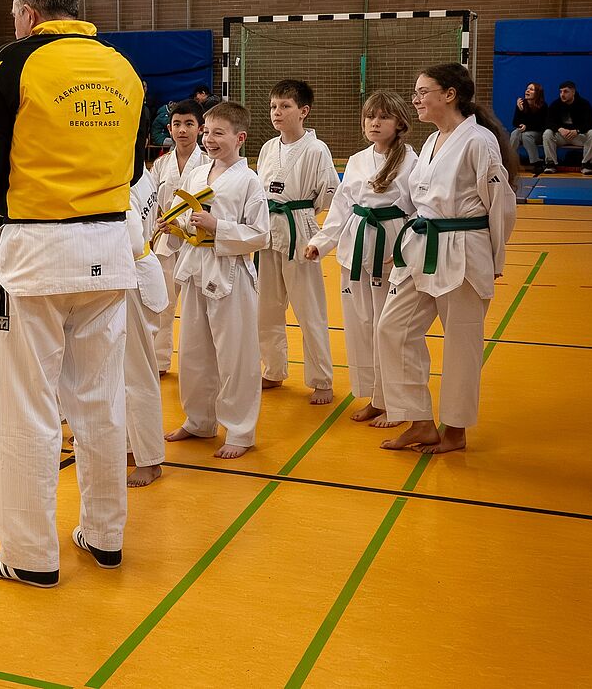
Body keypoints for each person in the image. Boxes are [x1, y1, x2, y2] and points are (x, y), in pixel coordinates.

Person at [0, 0, 143, 588]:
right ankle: (105, 535)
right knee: (100, 400)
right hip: (109, 248)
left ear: (29, 15)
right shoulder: (122, 67)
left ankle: (29, 555)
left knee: (26, 405)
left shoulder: (17, 60)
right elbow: (136, 162)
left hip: (37, 252)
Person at [377, 64, 518, 455]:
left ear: (450, 94)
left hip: (464, 250)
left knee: (461, 342)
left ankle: (455, 429)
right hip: (423, 246)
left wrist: (494, 258)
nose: (416, 100)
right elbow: (420, 200)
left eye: (423, 92)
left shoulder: (478, 141)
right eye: (416, 93)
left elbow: (501, 205)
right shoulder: (431, 141)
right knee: (392, 328)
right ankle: (420, 422)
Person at [304, 91, 417, 427]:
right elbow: (342, 207)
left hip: (392, 247)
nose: (374, 123)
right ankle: (375, 397)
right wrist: (321, 242)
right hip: (356, 246)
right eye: (370, 116)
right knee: (360, 326)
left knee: (389, 329)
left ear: (399, 122)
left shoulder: (412, 161)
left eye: (383, 117)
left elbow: (419, 210)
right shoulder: (356, 160)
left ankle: (396, 402)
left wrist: (408, 249)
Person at [164, 101, 270, 458]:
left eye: (218, 133)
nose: (209, 139)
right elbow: (188, 218)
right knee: (193, 352)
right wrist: (176, 227)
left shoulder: (249, 180)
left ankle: (240, 430)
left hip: (231, 273)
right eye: (207, 132)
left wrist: (218, 227)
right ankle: (199, 420)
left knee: (236, 355)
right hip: (196, 268)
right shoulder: (197, 174)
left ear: (240, 138)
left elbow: (260, 234)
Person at [256, 79, 339, 405]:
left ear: (303, 111)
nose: (277, 112)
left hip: (300, 229)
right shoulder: (268, 148)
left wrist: (305, 216)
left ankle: (322, 380)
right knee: (266, 308)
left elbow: (328, 193)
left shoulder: (316, 149)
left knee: (309, 309)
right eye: (274, 106)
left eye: (285, 106)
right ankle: (273, 369)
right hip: (268, 229)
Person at [121, 155, 169, 487]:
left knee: (137, 374)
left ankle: (149, 459)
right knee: (122, 374)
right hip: (139, 274)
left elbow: (130, 240)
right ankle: (129, 445)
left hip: (132, 277)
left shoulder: (124, 184)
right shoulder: (141, 173)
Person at [149, 99, 206, 376]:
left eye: (189, 124)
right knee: (163, 304)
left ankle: (197, 366)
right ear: (169, 129)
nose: (182, 130)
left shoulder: (209, 164)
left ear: (200, 128)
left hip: (198, 241)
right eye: (177, 124)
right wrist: (156, 226)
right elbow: (150, 204)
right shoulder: (161, 165)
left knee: (197, 309)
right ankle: (160, 361)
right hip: (166, 241)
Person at [541, 80, 592, 174]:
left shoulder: (584, 104)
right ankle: (551, 164)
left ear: (573, 92)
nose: (562, 94)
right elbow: (548, 123)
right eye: (560, 92)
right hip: (561, 136)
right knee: (547, 133)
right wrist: (560, 129)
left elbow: (590, 123)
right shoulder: (555, 105)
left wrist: (577, 131)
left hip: (578, 136)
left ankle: (586, 164)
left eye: (565, 91)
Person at [510, 82, 546, 174]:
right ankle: (510, 161)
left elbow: (541, 124)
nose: (527, 91)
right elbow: (515, 123)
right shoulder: (522, 104)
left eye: (531, 89)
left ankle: (536, 163)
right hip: (525, 132)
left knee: (526, 135)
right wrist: (520, 111)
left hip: (539, 133)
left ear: (537, 93)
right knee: (515, 133)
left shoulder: (543, 106)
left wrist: (526, 126)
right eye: (527, 89)